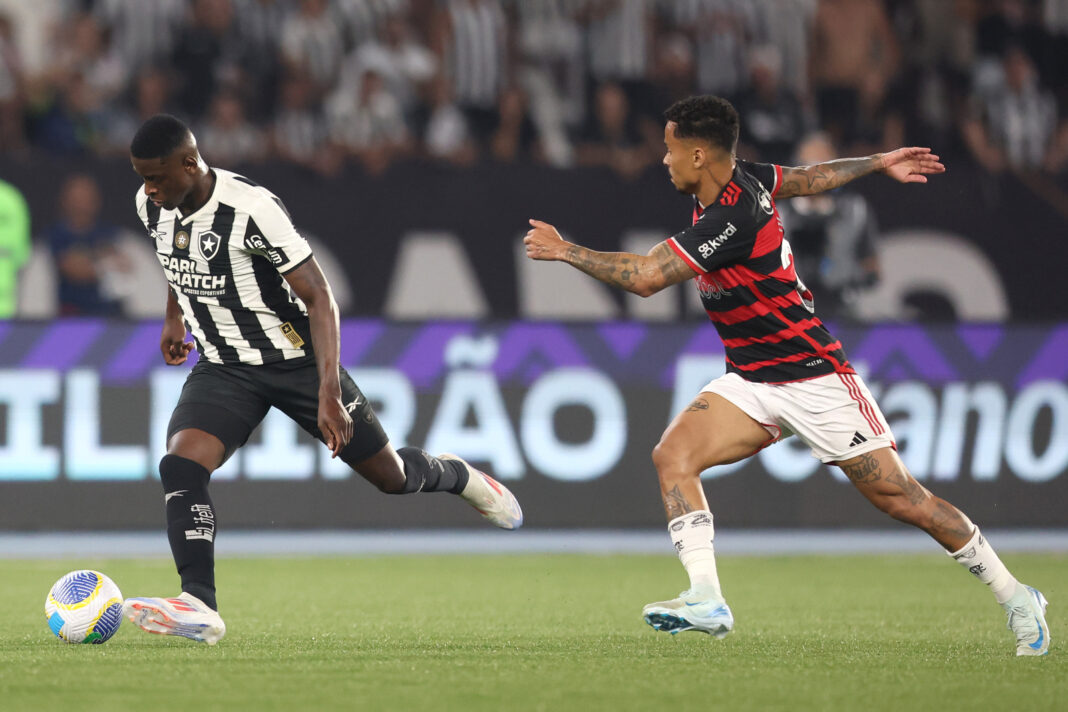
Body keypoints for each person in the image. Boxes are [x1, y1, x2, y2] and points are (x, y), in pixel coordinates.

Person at [523, 95, 1049, 657]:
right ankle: (706, 598)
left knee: (903, 498)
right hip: (751, 379)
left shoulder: (733, 217)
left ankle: (1019, 598)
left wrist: (565, 251)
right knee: (673, 456)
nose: (664, 160)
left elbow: (649, 276)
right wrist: (876, 162)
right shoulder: (744, 177)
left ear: (699, 155)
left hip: (812, 376)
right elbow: (806, 178)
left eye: (670, 149)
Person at [122, 114, 522, 645]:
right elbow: (176, 257)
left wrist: (328, 392)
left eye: (157, 177)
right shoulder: (152, 204)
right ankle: (199, 603)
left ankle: (458, 475)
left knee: (392, 478)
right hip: (225, 365)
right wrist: (175, 317)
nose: (149, 189)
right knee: (180, 464)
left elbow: (320, 298)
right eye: (141, 177)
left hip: (299, 364)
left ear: (190, 164)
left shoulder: (252, 211)